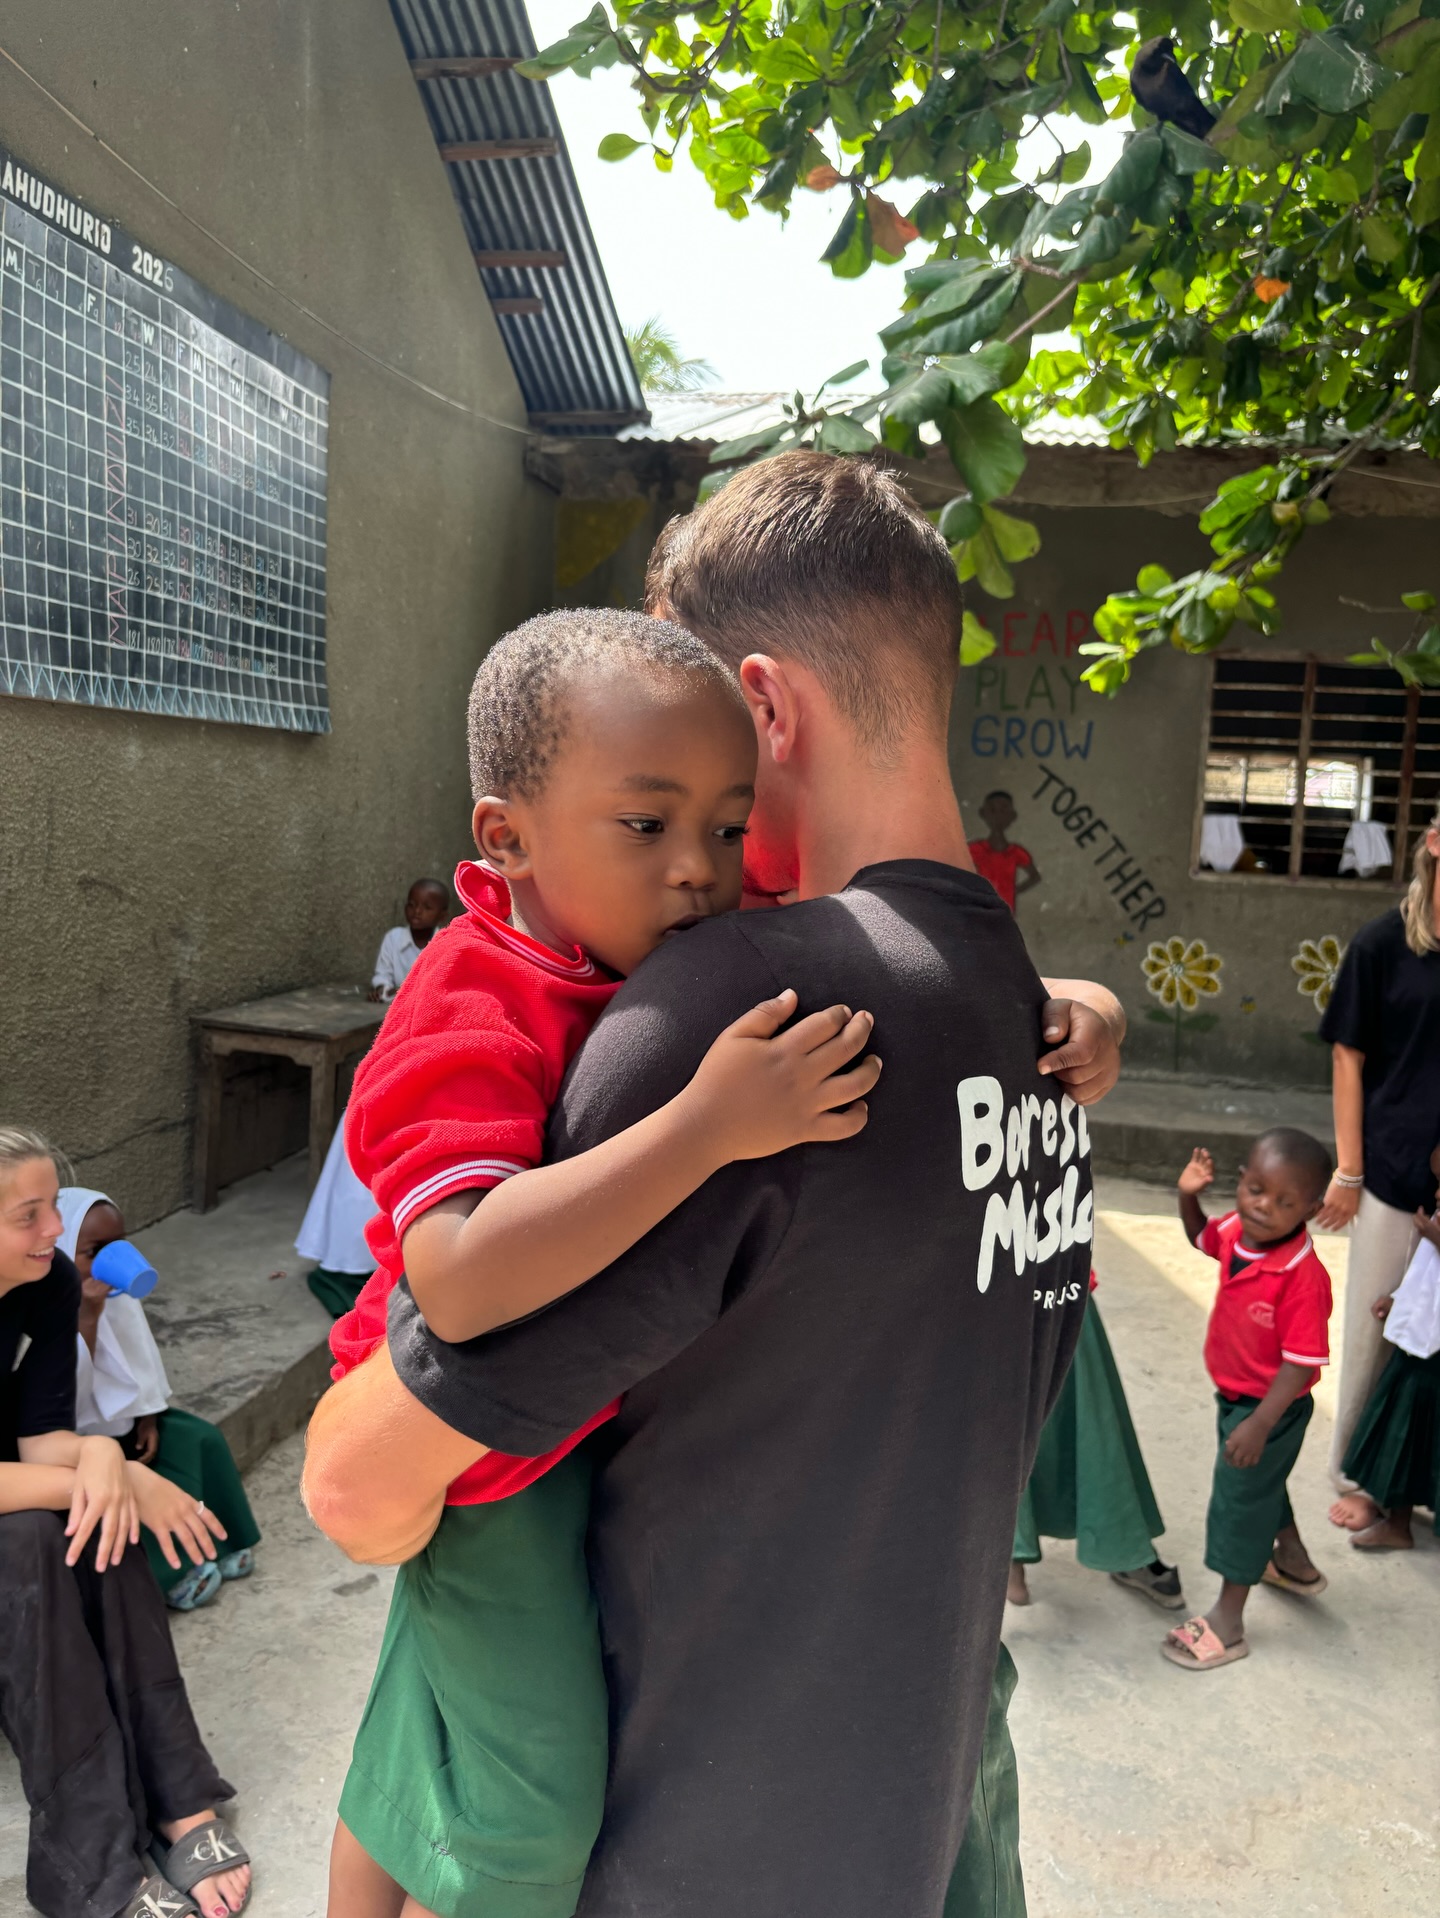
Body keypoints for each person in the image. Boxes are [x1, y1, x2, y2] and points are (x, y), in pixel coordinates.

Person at [305, 452, 1126, 1918]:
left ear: (759, 710)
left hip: (693, 1845)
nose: (698, 868)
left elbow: (359, 1487)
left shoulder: (746, 1014)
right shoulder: (1037, 1023)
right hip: (905, 1811)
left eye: (716, 802)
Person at [325, 607, 884, 1918]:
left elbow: (882, 926)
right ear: (505, 836)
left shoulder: (644, 947)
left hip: (578, 1425)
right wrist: (708, 1125)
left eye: (728, 824)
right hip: (481, 1456)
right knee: (533, 1814)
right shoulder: (473, 994)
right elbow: (456, 1274)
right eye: (647, 824)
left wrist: (1078, 1007)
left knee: (426, 1714)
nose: (701, 867)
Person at [0, 1127, 252, 1918]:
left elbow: (42, 1437)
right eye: (29, 1215)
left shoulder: (43, 1290)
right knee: (36, 1535)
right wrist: (103, 1476)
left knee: (87, 1514)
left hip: (16, 1485)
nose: (55, 1230)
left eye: (52, 1208)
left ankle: (179, 1793)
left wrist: (114, 1466)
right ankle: (88, 1858)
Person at [1164, 1130, 1335, 1671]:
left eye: (1286, 1203)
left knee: (1240, 1504)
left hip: (1269, 1410)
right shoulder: (1239, 1232)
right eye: (1257, 1190)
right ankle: (1294, 1563)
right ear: (1242, 1181)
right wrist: (1188, 1195)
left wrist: (1260, 1424)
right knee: (1260, 1484)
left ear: (1312, 1209)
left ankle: (1228, 1622)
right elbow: (1202, 1239)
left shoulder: (1304, 1277)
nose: (1266, 1208)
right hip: (1237, 1401)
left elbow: (1303, 1363)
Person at [1318, 800, 1440, 1526]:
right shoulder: (1383, 945)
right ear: (1432, 844)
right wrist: (1350, 1168)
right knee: (1378, 1324)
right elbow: (1347, 1054)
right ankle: (1357, 1474)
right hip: (1394, 1173)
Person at [60, 1186, 263, 1612]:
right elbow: (63, 1394)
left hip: (128, 1422)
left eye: (119, 1245)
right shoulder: (50, 1309)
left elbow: (143, 1359)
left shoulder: (118, 1297)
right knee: (127, 1494)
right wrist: (86, 1316)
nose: (108, 1260)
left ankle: (224, 1539)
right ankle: (173, 1574)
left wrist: (149, 1414)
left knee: (199, 1440)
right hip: (75, 1443)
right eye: (93, 1251)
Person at [1007, 1270, 1183, 1612]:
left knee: (1092, 1420)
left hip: (1059, 1276)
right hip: (987, 1284)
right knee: (1004, 1425)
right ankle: (1007, 1557)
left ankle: (1121, 1543)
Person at [1335, 1141, 1440, 1550]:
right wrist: (1397, 1299)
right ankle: (1396, 1522)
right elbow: (1425, 1273)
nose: (1435, 1194)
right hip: (1417, 1345)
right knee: (1404, 1436)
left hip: (1432, 1358)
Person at [366, 877, 450, 1002]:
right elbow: (383, 975)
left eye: (427, 907)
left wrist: (405, 991)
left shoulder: (446, 945)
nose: (417, 911)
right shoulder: (393, 938)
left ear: (442, 916)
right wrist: (382, 989)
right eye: (412, 905)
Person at [967, 790, 1040, 911]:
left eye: (1003, 811)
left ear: (1012, 815)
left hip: (1003, 913)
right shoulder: (976, 849)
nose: (998, 816)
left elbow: (1035, 876)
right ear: (983, 813)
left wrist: (1013, 891)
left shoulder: (1016, 852)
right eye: (992, 810)